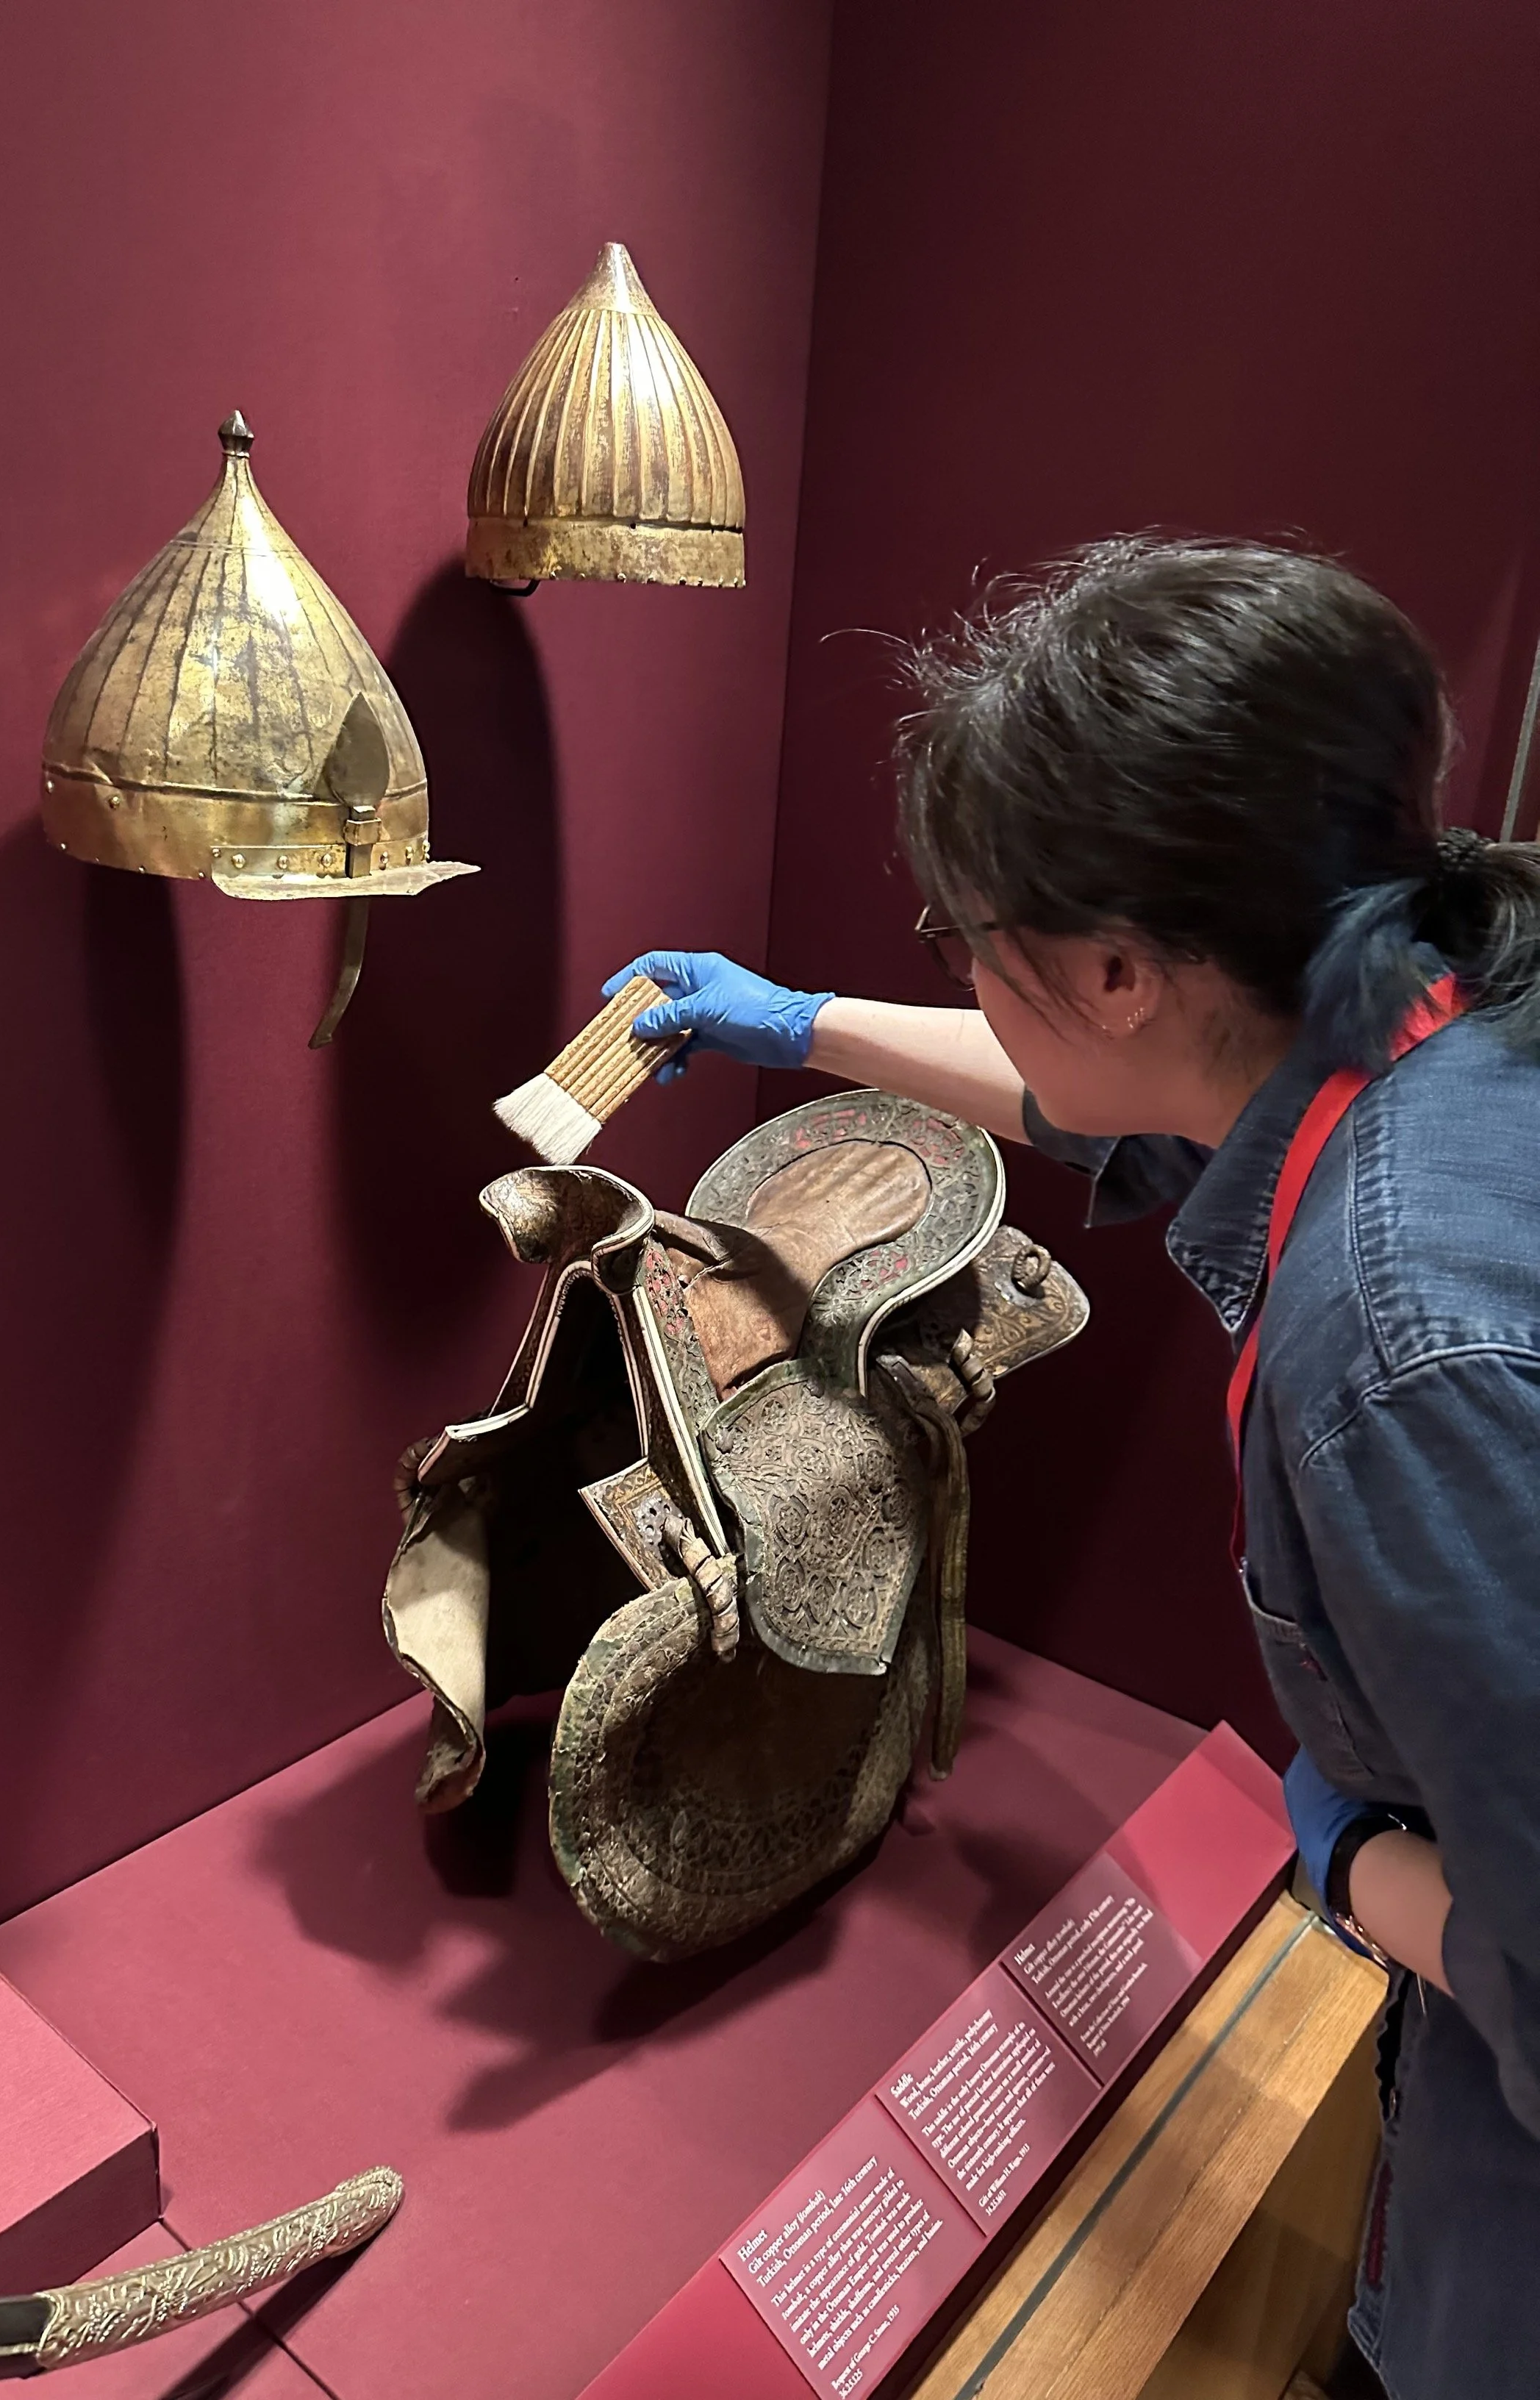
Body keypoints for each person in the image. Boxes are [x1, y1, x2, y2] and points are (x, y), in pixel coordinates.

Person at [604, 537, 1540, 2400]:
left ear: (1118, 964)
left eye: (968, 931)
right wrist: (791, 1024)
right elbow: (1100, 1086)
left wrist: (1357, 1871)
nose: (952, 956)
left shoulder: (1404, 1346)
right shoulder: (1423, 1005)